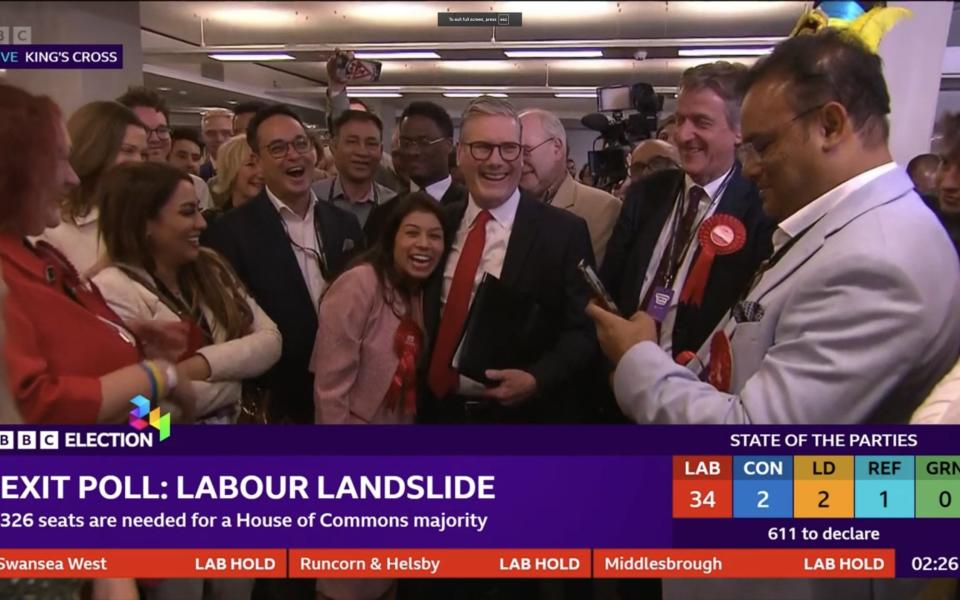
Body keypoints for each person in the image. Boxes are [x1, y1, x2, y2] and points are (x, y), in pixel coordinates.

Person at [589, 27, 960, 600]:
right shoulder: (843, 227)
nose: (751, 166)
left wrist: (637, 360)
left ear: (830, 126)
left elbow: (756, 448)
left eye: (761, 146)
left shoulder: (878, 258)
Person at [0, 82, 193, 423]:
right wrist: (159, 376)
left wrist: (124, 334)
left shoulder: (37, 255)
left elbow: (138, 424)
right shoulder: (14, 270)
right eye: (59, 158)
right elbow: (36, 409)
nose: (72, 177)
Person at [421, 96, 596, 427]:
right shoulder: (438, 224)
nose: (496, 161)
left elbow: (584, 332)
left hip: (521, 421)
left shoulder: (563, 233)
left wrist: (536, 378)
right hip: (434, 414)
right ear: (459, 153)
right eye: (482, 148)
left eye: (509, 148)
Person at [600, 61, 774, 361]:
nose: (682, 135)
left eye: (701, 122)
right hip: (621, 379)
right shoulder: (645, 194)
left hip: (700, 389)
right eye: (680, 120)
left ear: (738, 131)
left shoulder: (761, 208)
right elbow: (611, 286)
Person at [204, 104, 363, 428]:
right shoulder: (229, 233)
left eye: (301, 143)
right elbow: (233, 326)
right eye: (277, 148)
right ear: (258, 161)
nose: (293, 155)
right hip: (277, 404)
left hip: (346, 396)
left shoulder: (344, 224)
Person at [94, 161, 281, 424]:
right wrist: (231, 386)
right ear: (144, 222)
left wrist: (191, 369)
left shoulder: (210, 267)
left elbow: (271, 341)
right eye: (187, 212)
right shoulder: (111, 290)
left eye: (199, 210)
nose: (202, 223)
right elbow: (133, 417)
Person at [313, 193, 443, 417]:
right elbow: (330, 390)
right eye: (412, 233)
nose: (424, 244)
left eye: (435, 236)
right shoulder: (359, 283)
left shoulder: (421, 293)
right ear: (392, 237)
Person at [39, 100, 147, 276]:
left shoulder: (142, 218)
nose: (139, 162)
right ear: (95, 150)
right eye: (128, 151)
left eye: (144, 154)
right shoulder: (50, 227)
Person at [519, 108, 622, 265]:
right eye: (512, 151)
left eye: (526, 151)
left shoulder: (602, 208)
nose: (518, 162)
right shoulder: (500, 205)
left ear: (557, 148)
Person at [365, 101, 467, 243]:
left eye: (424, 142)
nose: (413, 151)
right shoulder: (384, 213)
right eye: (406, 143)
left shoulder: (469, 208)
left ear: (448, 145)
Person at [118, 86, 212, 210]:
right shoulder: (112, 186)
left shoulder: (195, 185)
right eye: (144, 129)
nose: (155, 138)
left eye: (162, 130)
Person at [313, 110, 396, 229]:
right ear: (333, 147)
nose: (362, 152)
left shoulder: (393, 204)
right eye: (352, 142)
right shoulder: (312, 197)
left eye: (371, 143)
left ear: (381, 150)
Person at [203, 134, 264, 226]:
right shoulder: (212, 222)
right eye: (250, 164)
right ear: (230, 170)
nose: (261, 173)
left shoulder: (280, 220)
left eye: (264, 165)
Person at [199, 108, 234, 181]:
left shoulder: (252, 173)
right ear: (203, 136)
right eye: (211, 133)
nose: (219, 139)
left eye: (226, 133)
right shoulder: (198, 174)